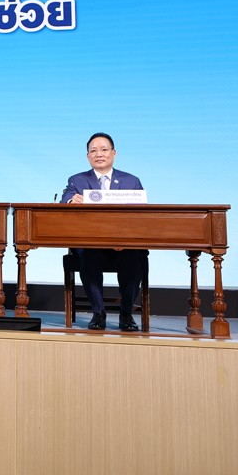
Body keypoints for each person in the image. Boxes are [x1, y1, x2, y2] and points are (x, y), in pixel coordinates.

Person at [60, 132, 148, 331]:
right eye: (93, 151)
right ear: (88, 156)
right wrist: (71, 200)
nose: (98, 154)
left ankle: (126, 314)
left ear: (113, 153)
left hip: (124, 245)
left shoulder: (132, 181)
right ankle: (98, 313)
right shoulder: (77, 180)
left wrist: (123, 241)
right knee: (87, 254)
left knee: (135, 256)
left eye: (104, 149)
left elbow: (141, 217)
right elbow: (64, 201)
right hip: (91, 245)